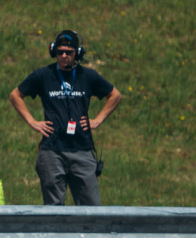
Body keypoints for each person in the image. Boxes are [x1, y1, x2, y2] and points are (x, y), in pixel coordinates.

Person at [8, 30, 122, 206]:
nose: (63, 56)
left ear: (77, 53)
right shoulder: (43, 75)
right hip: (52, 151)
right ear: (54, 51)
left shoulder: (88, 76)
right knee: (54, 209)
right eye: (60, 52)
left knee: (91, 208)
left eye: (68, 52)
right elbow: (15, 95)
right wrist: (32, 122)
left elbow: (115, 95)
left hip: (82, 150)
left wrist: (97, 120)